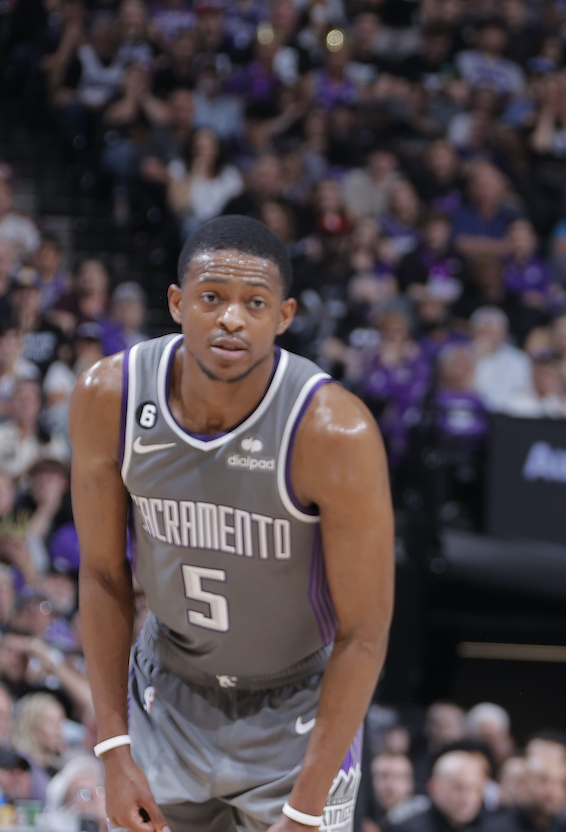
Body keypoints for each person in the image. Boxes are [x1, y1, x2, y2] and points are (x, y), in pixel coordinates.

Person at [71, 215, 394, 832]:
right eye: (212, 298)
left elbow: (365, 634)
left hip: (297, 703)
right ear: (176, 303)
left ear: (285, 316)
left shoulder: (333, 432)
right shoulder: (108, 396)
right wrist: (113, 753)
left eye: (255, 303)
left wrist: (306, 805)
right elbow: (103, 575)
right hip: (168, 689)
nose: (230, 319)